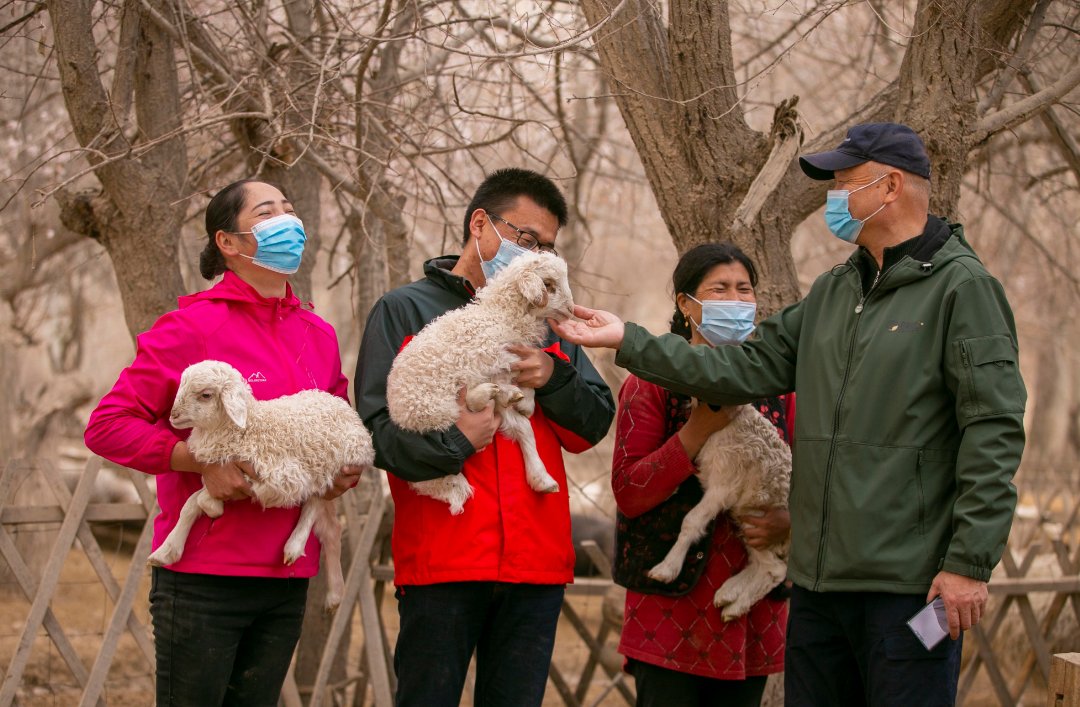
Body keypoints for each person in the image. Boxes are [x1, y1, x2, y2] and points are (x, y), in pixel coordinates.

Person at [551, 123, 1026, 706]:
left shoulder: (963, 289)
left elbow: (994, 431)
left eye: (845, 183)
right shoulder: (833, 291)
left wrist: (969, 563)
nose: (834, 198)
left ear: (891, 186)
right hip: (819, 590)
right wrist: (629, 339)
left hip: (908, 588)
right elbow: (740, 368)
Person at [84, 179, 362, 706]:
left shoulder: (317, 333)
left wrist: (341, 469)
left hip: (287, 572)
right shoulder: (190, 327)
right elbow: (107, 425)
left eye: (289, 206)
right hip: (205, 577)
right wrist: (194, 460)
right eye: (267, 212)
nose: (288, 221)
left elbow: (335, 418)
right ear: (229, 243)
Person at [354, 167, 615, 707]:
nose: (535, 254)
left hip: (535, 561)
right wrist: (455, 442)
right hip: (443, 555)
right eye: (526, 239)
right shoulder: (404, 310)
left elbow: (592, 426)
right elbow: (378, 433)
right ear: (481, 224)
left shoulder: (544, 322)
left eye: (546, 247)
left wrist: (554, 374)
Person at [611, 242, 793, 707]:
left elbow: (820, 476)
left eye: (744, 290)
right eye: (720, 290)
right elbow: (629, 492)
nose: (735, 301)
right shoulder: (650, 383)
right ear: (686, 304)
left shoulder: (784, 388)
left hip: (750, 612)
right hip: (669, 614)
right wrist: (695, 433)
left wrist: (794, 519)